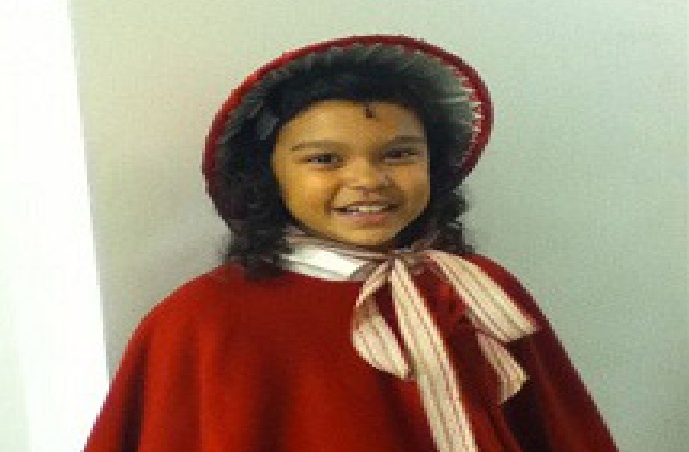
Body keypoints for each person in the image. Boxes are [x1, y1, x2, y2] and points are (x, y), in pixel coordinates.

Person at [84, 35, 619, 452]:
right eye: (324, 159)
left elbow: (562, 430)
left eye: (398, 154)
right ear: (268, 175)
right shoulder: (202, 321)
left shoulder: (479, 291)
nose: (367, 180)